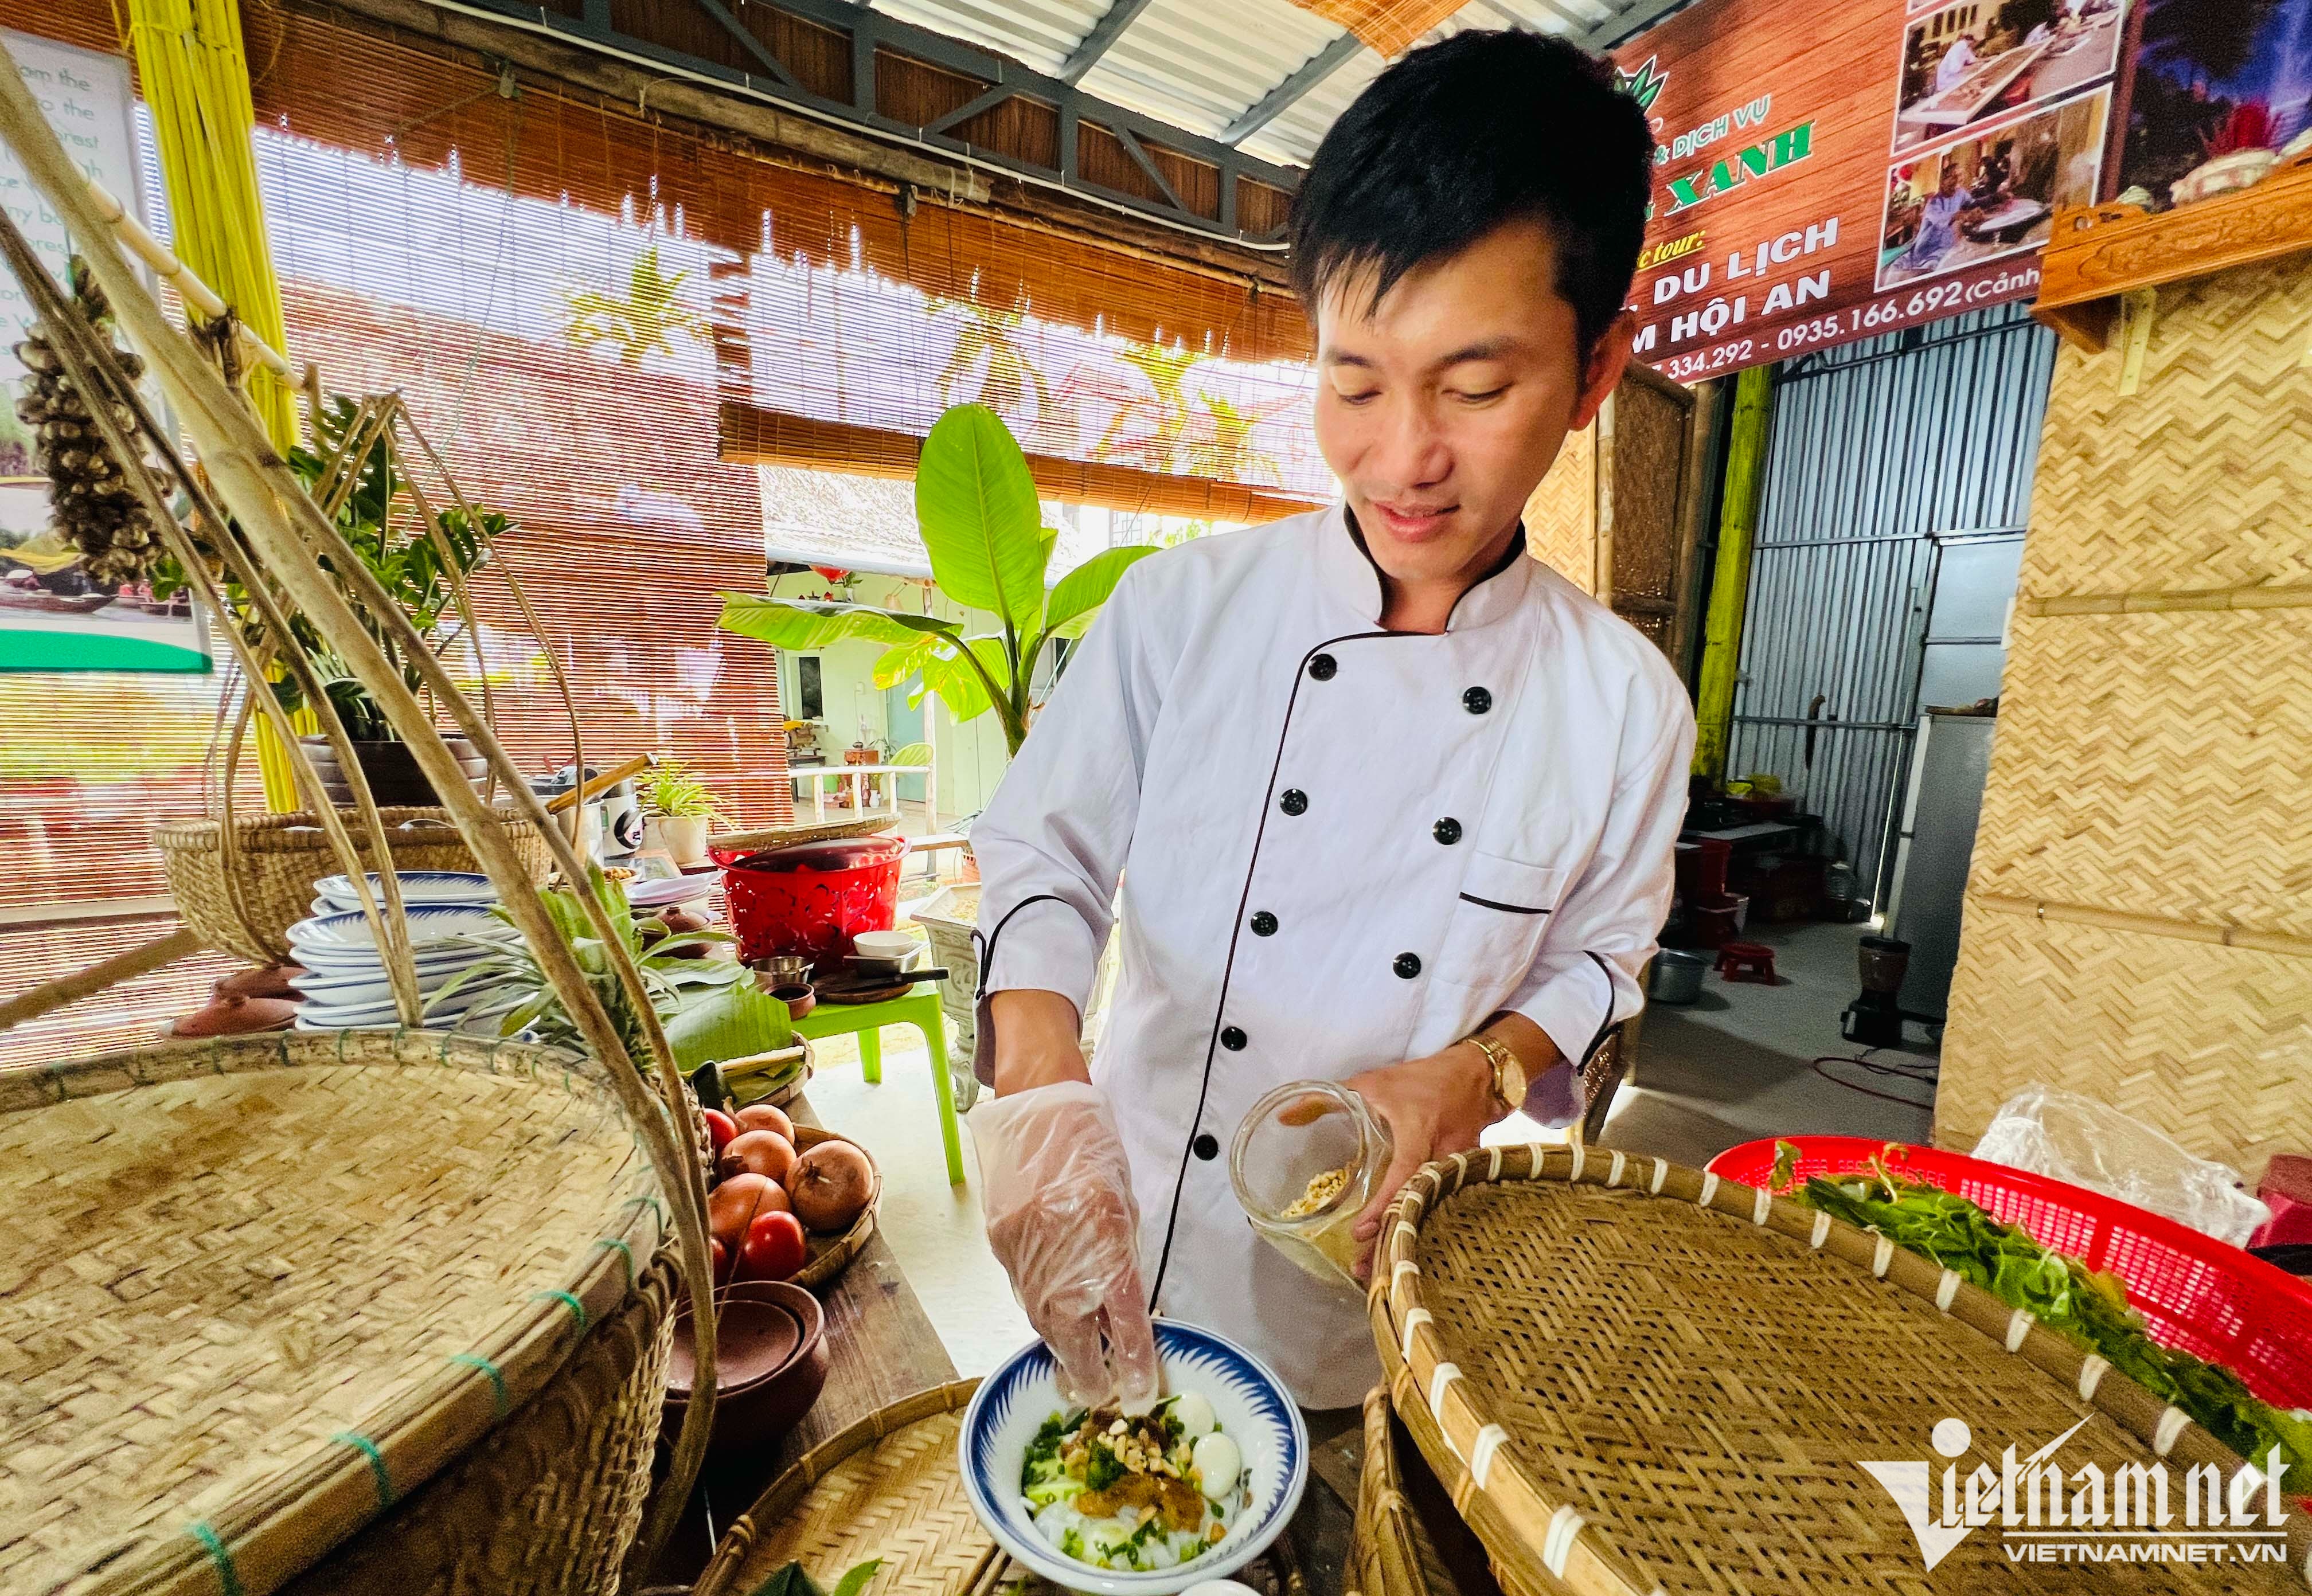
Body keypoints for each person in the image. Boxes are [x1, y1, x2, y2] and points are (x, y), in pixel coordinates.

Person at [961, 28, 1694, 1414]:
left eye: (1476, 389)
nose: (1401, 458)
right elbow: (1043, 855)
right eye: (1353, 382)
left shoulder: (1622, 704)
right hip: (1138, 1247)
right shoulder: (1188, 610)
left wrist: (1476, 1072)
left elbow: (1599, 966)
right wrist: (1042, 1083)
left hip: (1394, 1294)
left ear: (1598, 369)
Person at [1936, 31, 1980, 95]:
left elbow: (1973, 60)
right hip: (1947, 83)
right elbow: (1955, 70)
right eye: (1975, 42)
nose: (1975, 44)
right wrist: (1972, 67)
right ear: (1971, 42)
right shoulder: (1958, 49)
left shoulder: (1966, 48)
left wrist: (1988, 59)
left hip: (1954, 79)